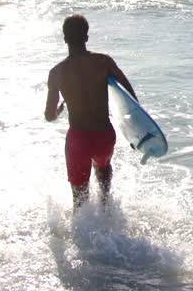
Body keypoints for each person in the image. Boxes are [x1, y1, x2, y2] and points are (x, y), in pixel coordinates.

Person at [44, 14, 137, 208]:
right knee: (103, 168)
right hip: (104, 135)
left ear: (64, 39)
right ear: (86, 37)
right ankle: (105, 209)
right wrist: (135, 133)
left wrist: (60, 111)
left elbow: (49, 116)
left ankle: (83, 232)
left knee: (80, 200)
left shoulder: (56, 72)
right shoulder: (104, 62)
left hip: (78, 139)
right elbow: (129, 96)